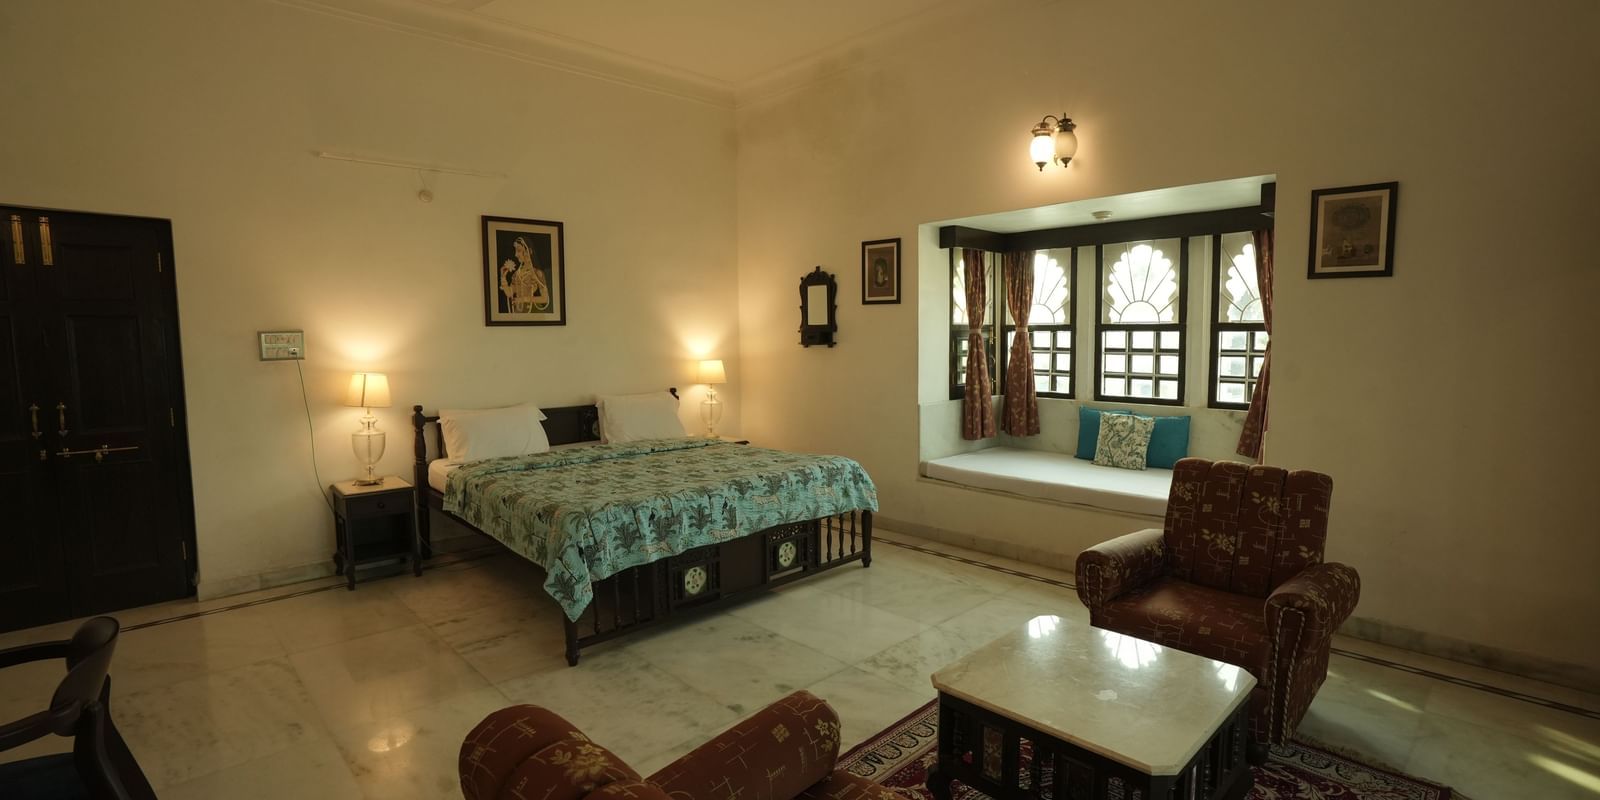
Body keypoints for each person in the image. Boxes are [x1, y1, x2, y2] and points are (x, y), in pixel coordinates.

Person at [498, 236, 551, 313]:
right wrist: (503, 277)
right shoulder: (516, 274)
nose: (516, 254)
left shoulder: (537, 273)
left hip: (532, 313)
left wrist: (523, 299)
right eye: (515, 251)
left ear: (529, 251)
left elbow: (545, 299)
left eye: (519, 250)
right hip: (517, 314)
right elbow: (509, 293)